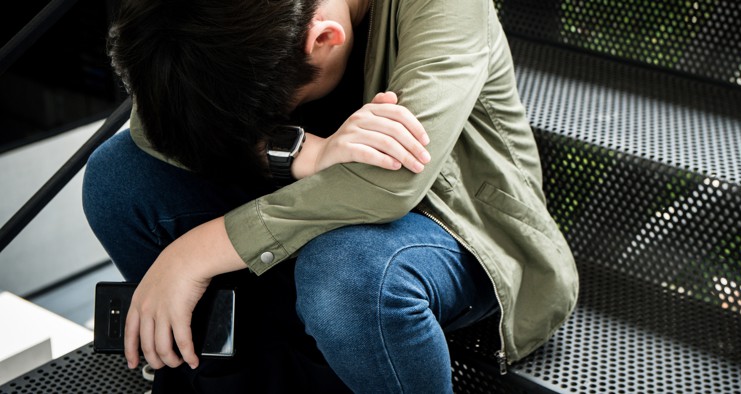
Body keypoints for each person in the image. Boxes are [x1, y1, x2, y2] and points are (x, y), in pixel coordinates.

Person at [83, 0, 578, 392]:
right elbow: (155, 129)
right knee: (116, 178)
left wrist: (194, 252)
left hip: (452, 226)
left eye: (272, 111)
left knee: (346, 274)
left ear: (324, 38)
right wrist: (299, 152)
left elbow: (391, 181)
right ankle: (223, 363)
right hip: (301, 209)